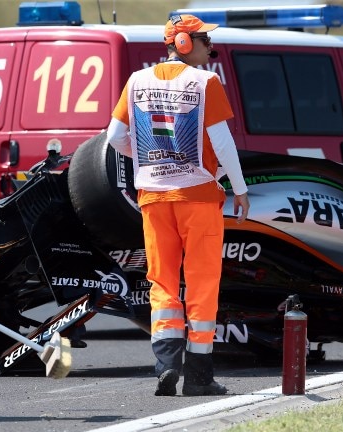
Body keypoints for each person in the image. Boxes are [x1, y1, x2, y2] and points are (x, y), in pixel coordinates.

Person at [106, 14, 250, 395]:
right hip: (199, 197)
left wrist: (146, 159)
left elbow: (115, 136)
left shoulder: (136, 81)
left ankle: (166, 365)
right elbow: (222, 143)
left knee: (162, 281)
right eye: (206, 42)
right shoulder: (206, 82)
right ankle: (199, 377)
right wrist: (239, 188)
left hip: (153, 197)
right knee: (202, 284)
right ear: (186, 44)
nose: (211, 49)